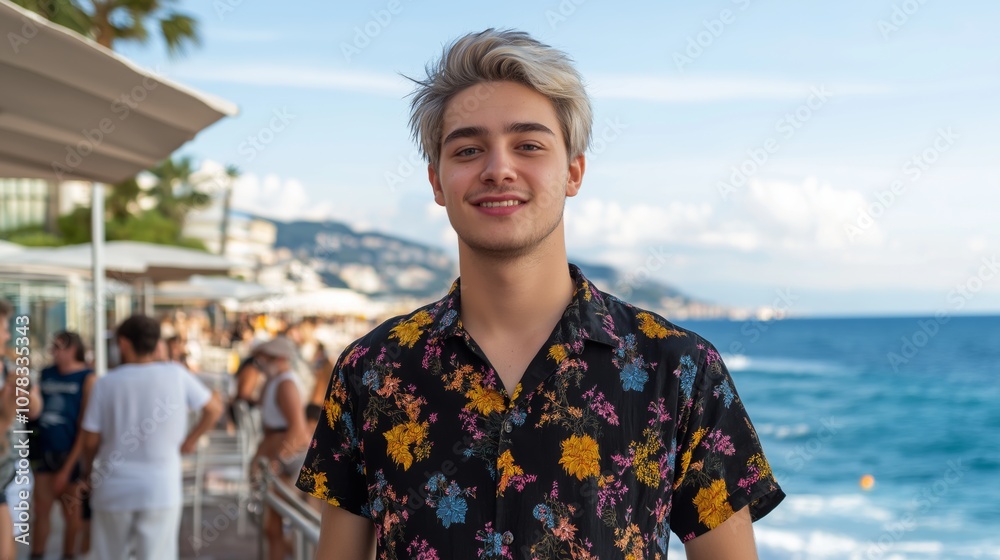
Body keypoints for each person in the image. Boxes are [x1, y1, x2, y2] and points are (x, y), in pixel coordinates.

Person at [296, 29, 785, 559]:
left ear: (573, 171)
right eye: (468, 149)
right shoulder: (371, 371)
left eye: (528, 145)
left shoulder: (681, 370)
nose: (498, 168)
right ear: (437, 181)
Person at [80, 315, 223, 560]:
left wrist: (88, 473)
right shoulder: (176, 375)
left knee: (109, 554)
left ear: (124, 343)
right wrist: (190, 440)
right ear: (156, 343)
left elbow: (90, 440)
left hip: (113, 486)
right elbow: (214, 408)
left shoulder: (105, 384)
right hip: (160, 486)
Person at [30, 331, 94, 560]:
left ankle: (69, 555)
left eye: (58, 347)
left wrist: (69, 466)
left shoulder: (87, 378)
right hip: (45, 449)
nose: (53, 352)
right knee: (41, 511)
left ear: (71, 349)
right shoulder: (46, 374)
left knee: (72, 513)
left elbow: (86, 425)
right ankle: (36, 554)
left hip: (71, 453)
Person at [250, 337, 311, 560]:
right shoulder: (275, 381)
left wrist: (278, 461)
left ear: (280, 359)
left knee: (275, 524)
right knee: (272, 527)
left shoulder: (286, 384)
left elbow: (298, 430)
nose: (261, 362)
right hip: (282, 460)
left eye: (266, 357)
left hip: (290, 462)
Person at [0, 298, 43, 560]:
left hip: (11, 470)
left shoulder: (11, 367)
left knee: (10, 543)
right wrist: (6, 412)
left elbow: (35, 409)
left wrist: (23, 391)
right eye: (3, 327)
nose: (7, 334)